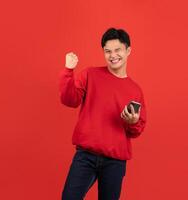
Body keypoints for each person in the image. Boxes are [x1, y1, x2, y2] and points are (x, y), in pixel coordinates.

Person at [59, 27, 147, 200]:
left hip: (115, 161)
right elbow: (70, 100)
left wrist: (133, 121)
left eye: (117, 50)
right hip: (86, 156)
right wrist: (68, 71)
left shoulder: (135, 90)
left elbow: (137, 130)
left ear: (128, 50)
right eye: (108, 51)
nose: (113, 55)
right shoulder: (90, 74)